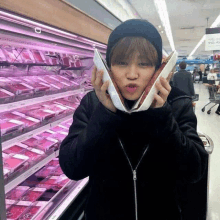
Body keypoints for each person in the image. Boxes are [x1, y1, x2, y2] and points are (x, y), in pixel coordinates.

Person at [59, 19, 207, 220]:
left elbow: (194, 170)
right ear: (107, 67)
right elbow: (72, 167)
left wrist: (162, 116)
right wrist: (105, 115)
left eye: (144, 64)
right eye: (121, 63)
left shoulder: (177, 103)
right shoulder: (93, 104)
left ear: (158, 70)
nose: (132, 74)